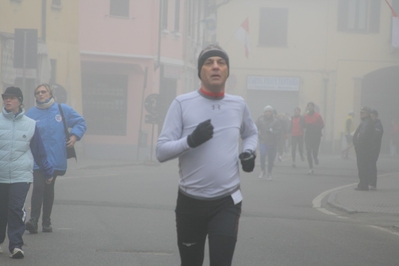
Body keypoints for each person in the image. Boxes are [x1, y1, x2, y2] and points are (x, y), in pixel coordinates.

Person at [156, 44, 258, 266]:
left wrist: (249, 152)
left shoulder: (238, 104)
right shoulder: (182, 103)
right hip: (190, 202)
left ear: (227, 71)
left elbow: (250, 133)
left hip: (227, 201)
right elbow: (161, 151)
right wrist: (190, 141)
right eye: (208, 62)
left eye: (221, 63)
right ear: (200, 71)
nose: (215, 67)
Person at [25, 84, 86, 234]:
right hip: (38, 159)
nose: (40, 94)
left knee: (49, 189)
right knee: (39, 187)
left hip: (56, 157)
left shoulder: (62, 110)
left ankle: (46, 221)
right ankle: (34, 220)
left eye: (43, 92)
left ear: (50, 94)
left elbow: (80, 122)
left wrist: (74, 136)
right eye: (37, 92)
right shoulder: (31, 114)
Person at [0, 87, 53, 259]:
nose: (7, 101)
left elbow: (39, 151)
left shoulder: (30, 124)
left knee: (15, 209)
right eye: (5, 98)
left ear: (20, 101)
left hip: (20, 176)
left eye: (12, 98)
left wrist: (47, 172)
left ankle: (16, 245)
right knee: (1, 210)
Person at [256, 105, 282, 179]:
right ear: (264, 112)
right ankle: (262, 170)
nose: (268, 113)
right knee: (262, 155)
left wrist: (272, 132)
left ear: (272, 112)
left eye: (269, 111)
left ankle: (269, 172)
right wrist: (258, 135)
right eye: (266, 111)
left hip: (272, 142)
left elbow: (279, 131)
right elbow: (255, 128)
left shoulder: (276, 121)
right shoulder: (260, 120)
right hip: (263, 141)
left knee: (271, 158)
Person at [352, 106, 375, 191]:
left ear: (367, 114)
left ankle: (363, 185)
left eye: (363, 112)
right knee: (362, 167)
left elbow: (363, 136)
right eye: (360, 112)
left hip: (363, 150)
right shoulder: (366, 122)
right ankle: (362, 183)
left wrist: (358, 145)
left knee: (363, 167)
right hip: (362, 149)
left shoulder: (367, 122)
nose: (361, 114)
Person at [303, 102, 324, 175]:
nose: (310, 107)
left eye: (311, 106)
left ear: (313, 107)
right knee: (308, 151)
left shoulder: (317, 116)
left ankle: (315, 157)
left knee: (315, 150)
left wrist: (316, 129)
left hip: (316, 135)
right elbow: (303, 125)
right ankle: (311, 168)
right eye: (308, 106)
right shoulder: (305, 116)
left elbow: (322, 125)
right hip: (308, 135)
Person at [369, 109, 384, 190]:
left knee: (372, 164)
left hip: (374, 148)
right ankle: (370, 182)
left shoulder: (378, 125)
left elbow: (376, 136)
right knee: (370, 165)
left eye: (373, 116)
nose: (372, 118)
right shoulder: (372, 124)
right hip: (371, 148)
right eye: (370, 116)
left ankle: (372, 183)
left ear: (376, 116)